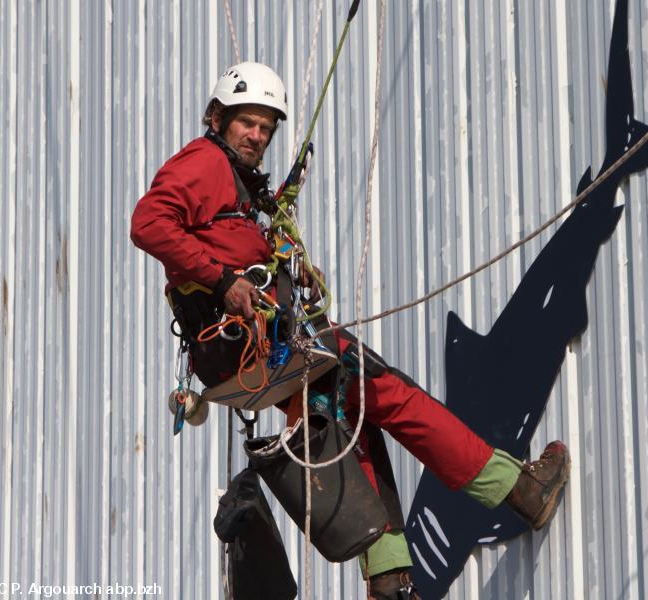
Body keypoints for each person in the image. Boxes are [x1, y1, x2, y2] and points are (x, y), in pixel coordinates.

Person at [130, 61, 570, 600]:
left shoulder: (238, 185)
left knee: (351, 419)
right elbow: (149, 222)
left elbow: (220, 241)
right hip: (253, 344)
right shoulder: (203, 162)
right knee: (390, 390)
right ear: (218, 118)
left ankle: (388, 575)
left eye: (267, 127)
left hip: (252, 351)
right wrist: (224, 282)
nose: (258, 135)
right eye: (247, 122)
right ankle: (519, 489)